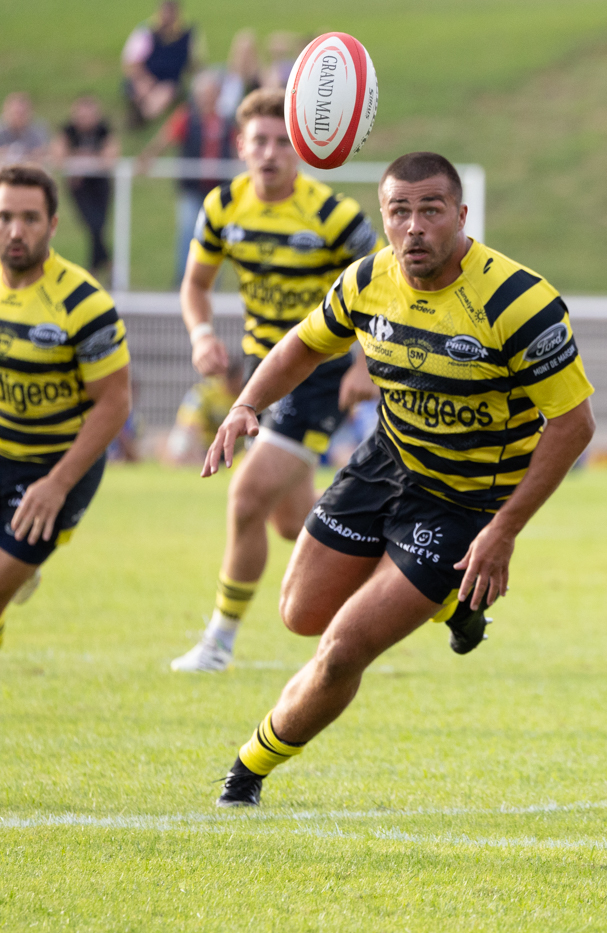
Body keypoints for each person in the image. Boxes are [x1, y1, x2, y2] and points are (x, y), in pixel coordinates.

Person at [203, 152, 596, 808]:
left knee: (340, 649)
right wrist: (247, 403)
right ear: (384, 219)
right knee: (299, 614)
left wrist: (504, 528)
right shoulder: (366, 281)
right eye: (399, 211)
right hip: (384, 465)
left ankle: (246, 771)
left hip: (465, 501)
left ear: (462, 217)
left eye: (431, 210)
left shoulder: (519, 301)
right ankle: (453, 602)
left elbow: (573, 424)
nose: (414, 227)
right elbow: (305, 343)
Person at [167, 89, 380, 673]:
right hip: (262, 374)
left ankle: (218, 643)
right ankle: (405, 580)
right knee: (293, 523)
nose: (270, 152)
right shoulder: (223, 208)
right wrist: (201, 334)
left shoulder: (333, 215)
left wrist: (364, 364)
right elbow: (195, 287)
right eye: (259, 140)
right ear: (240, 147)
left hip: (318, 376)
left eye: (283, 140)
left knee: (246, 498)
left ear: (304, 148)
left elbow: (382, 290)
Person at [0, 165, 132, 648]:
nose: (16, 231)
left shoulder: (84, 303)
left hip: (58, 465)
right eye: (5, 216)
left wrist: (56, 484)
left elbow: (115, 402)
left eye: (30, 218)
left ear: (53, 224)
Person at [138, 70, 235, 288]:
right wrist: (147, 157)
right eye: (202, 94)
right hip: (192, 188)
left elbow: (238, 148)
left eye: (210, 94)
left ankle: (211, 284)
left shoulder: (225, 121)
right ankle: (183, 282)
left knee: (216, 237)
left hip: (218, 191)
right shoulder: (186, 118)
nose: (206, 98)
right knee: (188, 233)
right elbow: (166, 138)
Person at [53, 95, 120, 276]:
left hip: (100, 185)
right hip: (79, 186)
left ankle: (94, 269)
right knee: (93, 225)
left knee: (97, 226)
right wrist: (85, 160)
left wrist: (83, 159)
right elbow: (59, 157)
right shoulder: (69, 130)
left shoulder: (103, 130)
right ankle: (106, 265)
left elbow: (111, 157)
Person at [121, 0, 200, 127]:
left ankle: (142, 115)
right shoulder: (147, 31)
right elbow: (132, 62)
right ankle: (140, 109)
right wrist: (144, 79)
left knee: (164, 93)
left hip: (169, 81)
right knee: (143, 88)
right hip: (146, 77)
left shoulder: (186, 34)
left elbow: (194, 63)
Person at [163, 362, 241, 465]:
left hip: (238, 450)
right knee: (182, 437)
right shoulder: (207, 391)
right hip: (206, 447)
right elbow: (189, 425)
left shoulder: (246, 396)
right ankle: (178, 465)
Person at [216, 29, 262, 121]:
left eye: (248, 53)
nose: (245, 58)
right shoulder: (226, 77)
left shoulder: (259, 79)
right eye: (242, 53)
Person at [0, 93, 50, 166]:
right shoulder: (1, 129)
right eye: (15, 113)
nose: (18, 118)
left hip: (29, 168)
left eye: (22, 114)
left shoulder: (37, 129)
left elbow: (44, 152)